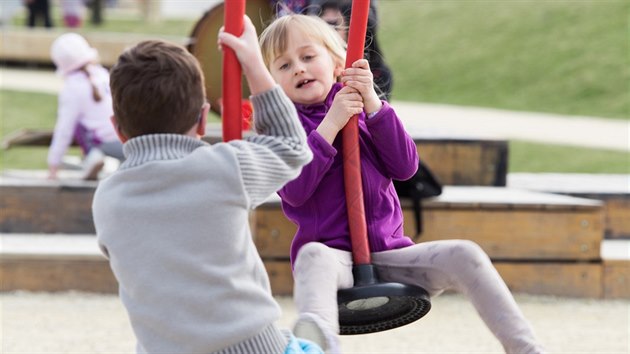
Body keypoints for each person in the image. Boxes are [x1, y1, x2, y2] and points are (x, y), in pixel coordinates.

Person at [259, 14, 545, 354]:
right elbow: (295, 189)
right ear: (273, 83)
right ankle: (318, 347)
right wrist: (331, 125)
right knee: (311, 257)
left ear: (338, 63)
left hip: (392, 255)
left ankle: (526, 349)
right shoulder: (284, 131)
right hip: (334, 263)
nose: (299, 69)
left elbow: (405, 167)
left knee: (465, 253)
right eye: (285, 65)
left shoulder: (364, 109)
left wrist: (374, 106)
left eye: (308, 57)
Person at [92, 15, 328, 353]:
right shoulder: (225, 167)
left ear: (117, 128)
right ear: (203, 118)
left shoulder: (107, 200)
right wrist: (253, 64)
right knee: (304, 349)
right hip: (251, 345)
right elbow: (291, 146)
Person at [270, 0, 393, 100]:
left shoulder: (378, 74)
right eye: (285, 65)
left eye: (332, 25)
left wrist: (371, 101)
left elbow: (387, 129)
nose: (325, 32)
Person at [48, 33, 124, 180]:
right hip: (125, 138)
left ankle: (92, 158)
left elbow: (64, 129)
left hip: (105, 144)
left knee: (79, 124)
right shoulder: (103, 75)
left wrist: (53, 164)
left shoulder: (72, 89)